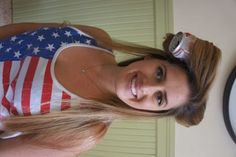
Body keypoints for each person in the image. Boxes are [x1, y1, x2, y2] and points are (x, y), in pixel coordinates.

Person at [0, 22, 221, 156]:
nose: (147, 86)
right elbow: (23, 31)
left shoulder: (86, 131)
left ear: (152, 111)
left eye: (159, 98)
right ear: (151, 58)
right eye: (160, 73)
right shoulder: (97, 38)